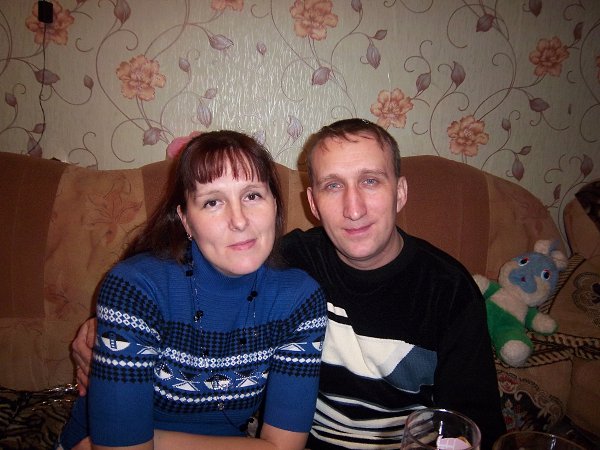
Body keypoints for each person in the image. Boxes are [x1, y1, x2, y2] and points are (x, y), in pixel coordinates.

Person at [71, 119, 506, 449]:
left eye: (371, 181)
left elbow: (470, 428)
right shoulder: (285, 258)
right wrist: (105, 330)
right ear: (312, 202)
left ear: (401, 192)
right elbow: (181, 277)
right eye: (333, 186)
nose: (354, 208)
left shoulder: (447, 290)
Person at [59, 130, 327, 450]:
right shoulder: (135, 289)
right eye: (213, 202)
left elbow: (283, 446)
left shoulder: (299, 299)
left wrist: (151, 440)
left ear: (275, 205)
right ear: (185, 220)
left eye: (252, 195)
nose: (239, 220)